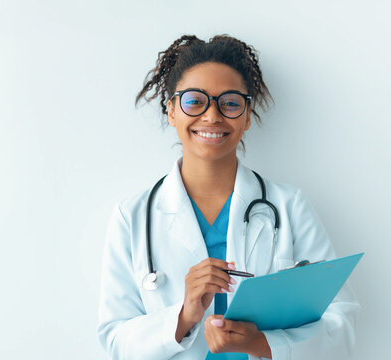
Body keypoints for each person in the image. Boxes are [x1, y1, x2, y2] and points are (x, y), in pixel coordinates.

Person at [96, 35, 359, 360]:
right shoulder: (132, 217)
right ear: (172, 111)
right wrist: (184, 316)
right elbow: (115, 340)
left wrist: (260, 345)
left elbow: (342, 325)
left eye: (230, 103)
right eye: (194, 101)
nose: (212, 116)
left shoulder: (289, 207)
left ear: (247, 116)